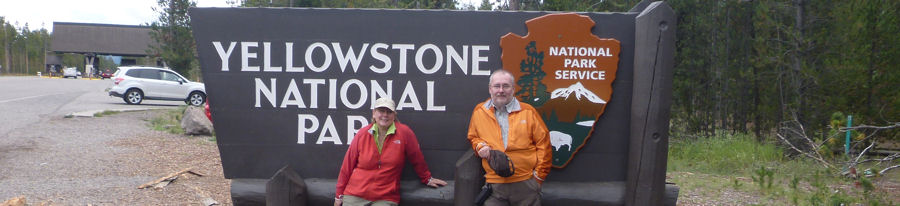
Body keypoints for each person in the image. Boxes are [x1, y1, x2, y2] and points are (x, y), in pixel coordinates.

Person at [335, 97, 448, 206]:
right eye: (381, 111)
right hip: (356, 194)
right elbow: (347, 166)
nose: (385, 115)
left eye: (389, 112)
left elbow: (417, 158)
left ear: (394, 115)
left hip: (385, 197)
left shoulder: (404, 133)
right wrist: (338, 195)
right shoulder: (362, 133)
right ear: (374, 113)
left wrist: (427, 178)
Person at [467, 69, 552, 206]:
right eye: (497, 86)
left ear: (513, 89)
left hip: (525, 185)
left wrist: (538, 178)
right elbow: (473, 137)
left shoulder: (528, 112)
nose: (501, 90)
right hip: (495, 186)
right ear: (490, 89)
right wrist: (480, 146)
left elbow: (544, 144)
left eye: (506, 86)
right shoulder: (479, 111)